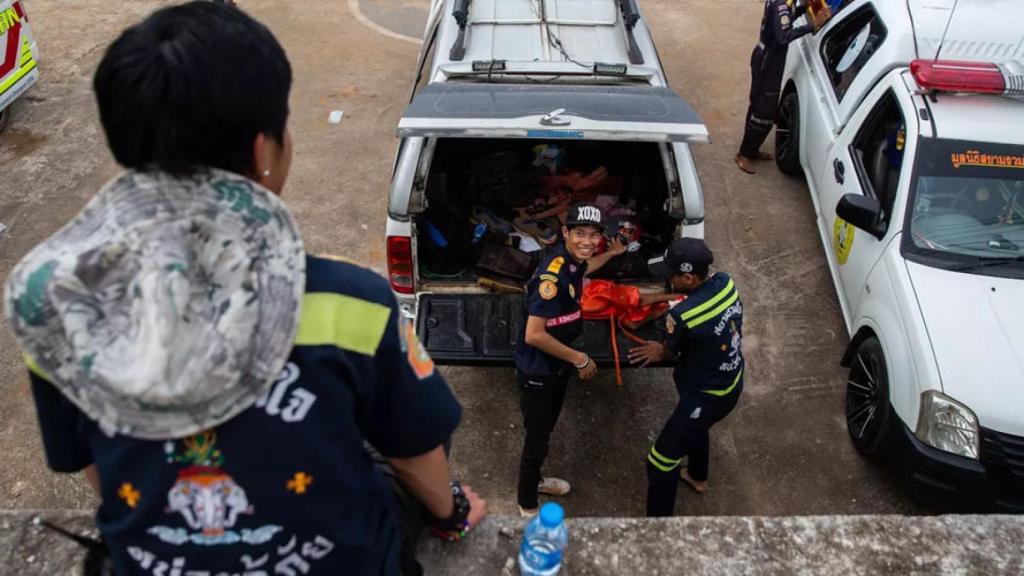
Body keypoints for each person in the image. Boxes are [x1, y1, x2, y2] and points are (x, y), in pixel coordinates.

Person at [2, 3, 485, 575]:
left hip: (153, 558)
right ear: (263, 149)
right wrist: (451, 511)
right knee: (400, 430)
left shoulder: (53, 300)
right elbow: (413, 457)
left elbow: (97, 469)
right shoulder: (347, 303)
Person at [513, 203, 626, 517]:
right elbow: (534, 335)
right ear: (565, 233)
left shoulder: (575, 262)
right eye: (579, 234)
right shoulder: (552, 277)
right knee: (536, 438)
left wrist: (613, 254)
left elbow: (587, 268)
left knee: (546, 429)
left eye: (593, 235)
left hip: (557, 364)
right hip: (539, 370)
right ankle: (527, 503)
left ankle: (535, 480)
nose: (587, 241)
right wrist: (579, 359)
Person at [628, 238, 744, 517]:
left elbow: (669, 351)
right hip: (732, 378)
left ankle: (659, 528)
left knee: (659, 462)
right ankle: (697, 476)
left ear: (689, 277)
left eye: (671, 274)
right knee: (697, 427)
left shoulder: (682, 316)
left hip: (706, 395)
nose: (667, 278)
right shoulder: (726, 283)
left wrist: (659, 349)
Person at [736, 0, 830, 174]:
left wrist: (803, 10)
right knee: (762, 110)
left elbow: (783, 21)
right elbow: (783, 36)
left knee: (761, 105)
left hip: (769, 59)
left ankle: (751, 149)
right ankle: (744, 154)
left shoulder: (786, 4)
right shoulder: (782, 5)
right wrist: (812, 25)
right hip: (768, 61)